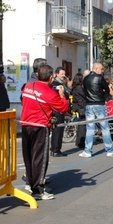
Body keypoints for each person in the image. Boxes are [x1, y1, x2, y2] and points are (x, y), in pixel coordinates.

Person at [20, 65, 69, 200]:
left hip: (25, 124)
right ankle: (38, 189)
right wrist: (62, 95)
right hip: (40, 126)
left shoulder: (28, 86)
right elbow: (63, 108)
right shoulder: (50, 93)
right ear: (51, 77)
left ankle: (30, 183)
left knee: (28, 157)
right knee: (40, 158)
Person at [80, 63, 113, 158]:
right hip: (99, 104)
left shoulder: (85, 79)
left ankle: (87, 151)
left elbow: (84, 90)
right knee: (105, 127)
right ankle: (109, 150)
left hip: (89, 105)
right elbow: (107, 90)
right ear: (96, 69)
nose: (102, 71)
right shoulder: (100, 78)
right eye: (101, 69)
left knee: (90, 129)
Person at [50, 67, 69, 157]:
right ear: (57, 74)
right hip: (57, 109)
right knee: (57, 130)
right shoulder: (55, 84)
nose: (63, 75)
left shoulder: (62, 83)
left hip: (61, 108)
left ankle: (56, 148)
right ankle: (55, 149)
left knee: (59, 129)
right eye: (62, 74)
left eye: (64, 73)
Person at [71, 73, 86, 148]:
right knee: (82, 125)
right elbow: (84, 95)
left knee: (81, 124)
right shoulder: (79, 88)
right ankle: (81, 141)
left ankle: (79, 141)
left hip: (79, 107)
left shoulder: (75, 87)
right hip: (82, 107)